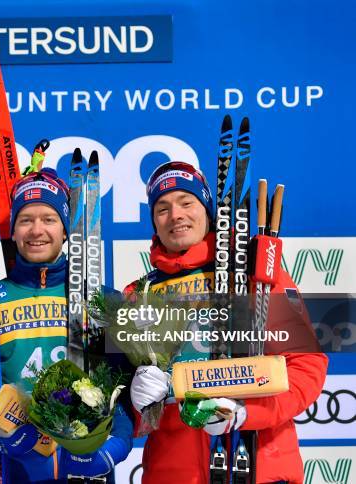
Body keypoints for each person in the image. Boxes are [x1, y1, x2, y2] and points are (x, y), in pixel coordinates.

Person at [126, 161, 328, 484]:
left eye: (186, 202)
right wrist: (138, 405)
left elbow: (306, 367)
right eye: (162, 208)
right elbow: (132, 419)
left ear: (207, 209)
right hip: (172, 474)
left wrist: (248, 413)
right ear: (154, 221)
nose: (175, 215)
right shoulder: (140, 294)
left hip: (259, 467)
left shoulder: (256, 275)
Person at [0, 168, 133, 483]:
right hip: (14, 468)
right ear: (14, 231)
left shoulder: (103, 300)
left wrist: (114, 447)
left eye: (48, 219)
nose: (36, 230)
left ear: (66, 230)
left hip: (85, 468)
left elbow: (123, 393)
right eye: (26, 220)